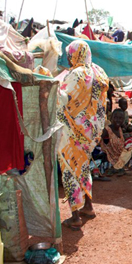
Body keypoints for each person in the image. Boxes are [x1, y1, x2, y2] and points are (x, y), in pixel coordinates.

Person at [57, 40, 109, 230]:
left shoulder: (76, 74)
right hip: (91, 133)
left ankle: (75, 216)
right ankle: (88, 206)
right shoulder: (99, 72)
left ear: (74, 54)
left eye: (70, 54)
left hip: (72, 131)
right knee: (84, 166)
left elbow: (63, 99)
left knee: (70, 170)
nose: (69, 58)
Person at [100, 109, 132, 173]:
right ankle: (131, 167)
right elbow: (100, 141)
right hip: (114, 157)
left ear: (123, 120)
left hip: (122, 153)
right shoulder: (107, 130)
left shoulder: (120, 129)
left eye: (120, 118)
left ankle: (130, 165)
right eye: (115, 117)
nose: (118, 120)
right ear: (111, 118)